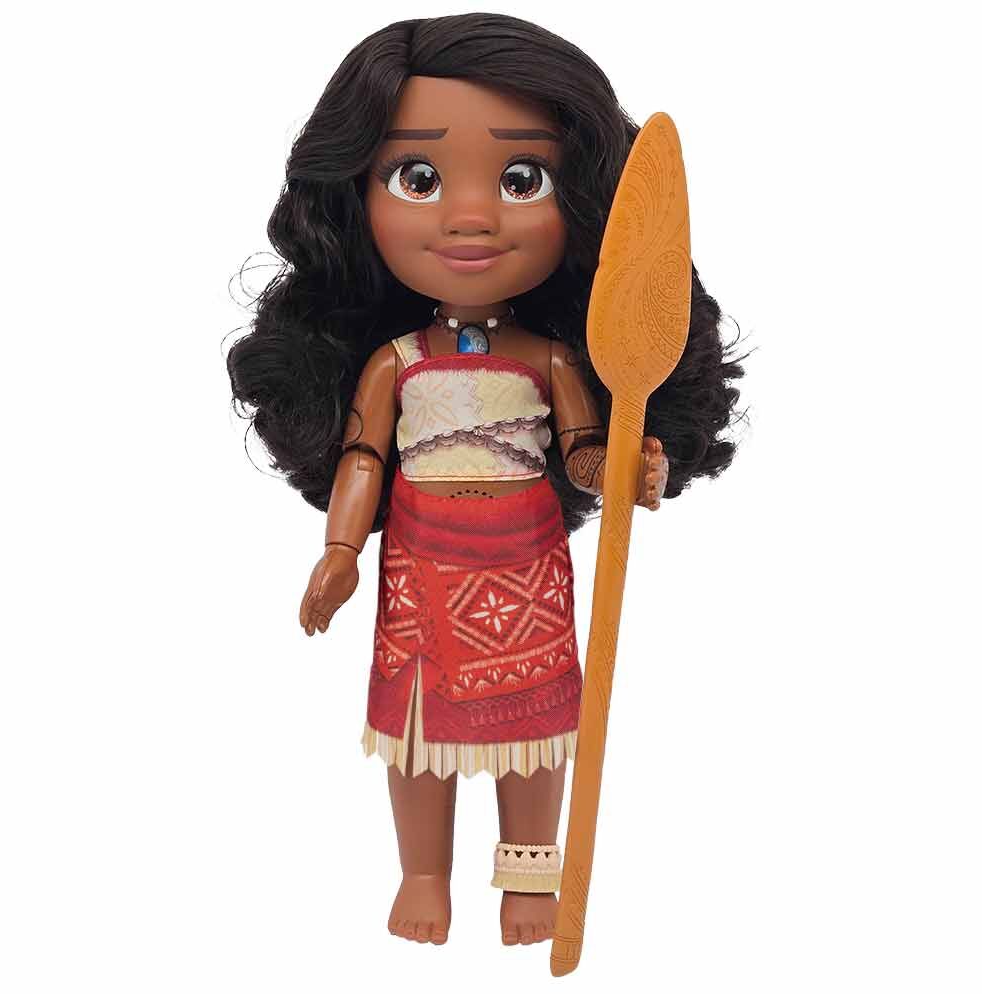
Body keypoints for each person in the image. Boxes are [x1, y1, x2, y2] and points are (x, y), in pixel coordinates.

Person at [226, 13, 744, 948]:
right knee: (417, 728)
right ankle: (423, 871)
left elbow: (580, 449)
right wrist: (341, 550)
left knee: (534, 728)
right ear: (354, 200)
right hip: (420, 561)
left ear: (580, 203)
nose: (471, 216)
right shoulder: (395, 362)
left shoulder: (552, 358)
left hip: (524, 559)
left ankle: (529, 878)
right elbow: (364, 457)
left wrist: (624, 466)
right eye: (418, 178)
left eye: (521, 178)